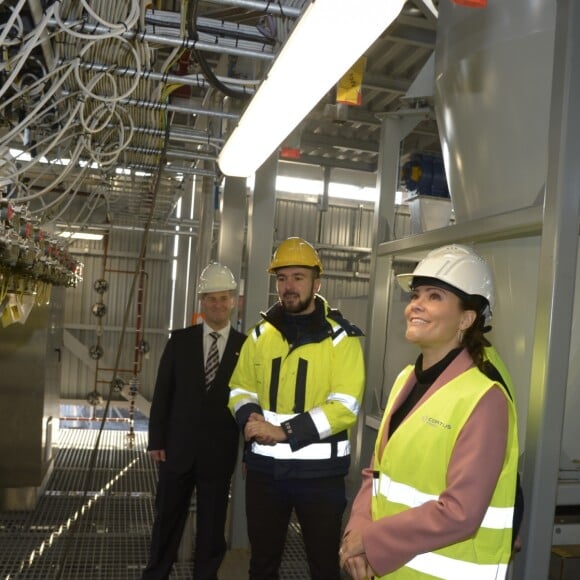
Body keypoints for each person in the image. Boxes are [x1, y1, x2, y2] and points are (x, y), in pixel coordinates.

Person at [340, 244, 519, 580]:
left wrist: (371, 540)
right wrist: (358, 528)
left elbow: (460, 513)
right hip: (387, 569)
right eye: (416, 295)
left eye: (434, 296)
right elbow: (376, 473)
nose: (416, 305)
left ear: (466, 318)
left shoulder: (484, 398)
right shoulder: (406, 379)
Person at [228, 236, 366, 580]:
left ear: (317, 283)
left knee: (322, 567)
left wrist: (284, 431)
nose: (288, 286)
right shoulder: (260, 336)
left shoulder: (341, 340)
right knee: (262, 564)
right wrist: (248, 415)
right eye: (282, 278)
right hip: (265, 472)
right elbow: (239, 388)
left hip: (320, 478)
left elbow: (344, 406)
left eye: (298, 277)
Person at [142, 262, 246, 580]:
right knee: (168, 518)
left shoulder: (246, 347)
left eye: (224, 298)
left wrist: (250, 452)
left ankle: (206, 575)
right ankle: (157, 572)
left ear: (234, 301)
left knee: (213, 524)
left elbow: (253, 402)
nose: (218, 304)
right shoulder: (180, 341)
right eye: (211, 298)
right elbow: (163, 393)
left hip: (219, 452)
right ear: (201, 302)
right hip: (176, 449)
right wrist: (156, 440)